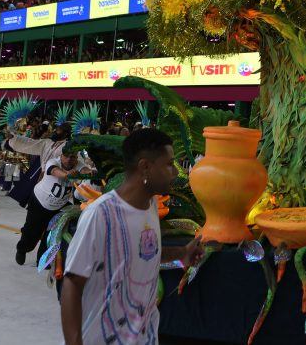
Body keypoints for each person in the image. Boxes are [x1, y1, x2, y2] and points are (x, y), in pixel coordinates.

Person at [61, 129, 203, 345]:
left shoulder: (151, 205)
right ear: (145, 167)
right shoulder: (100, 214)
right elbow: (72, 284)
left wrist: (182, 253)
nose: (175, 172)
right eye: (169, 164)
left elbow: (143, 252)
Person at [15, 149, 83, 266]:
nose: (68, 160)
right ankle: (22, 249)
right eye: (66, 156)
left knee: (52, 234)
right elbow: (54, 171)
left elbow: (86, 170)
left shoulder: (78, 165)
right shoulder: (53, 162)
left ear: (76, 158)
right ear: (61, 156)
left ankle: (43, 259)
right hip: (39, 202)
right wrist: (67, 174)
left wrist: (91, 172)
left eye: (72, 157)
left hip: (59, 206)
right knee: (32, 232)